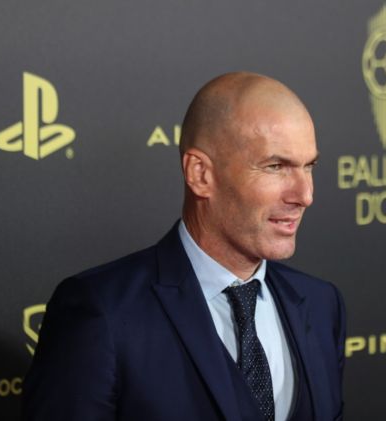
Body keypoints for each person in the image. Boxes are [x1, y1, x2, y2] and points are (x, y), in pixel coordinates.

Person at [22, 72, 346, 421]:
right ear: (200, 174)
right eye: (276, 166)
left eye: (309, 166)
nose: (305, 195)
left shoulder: (321, 304)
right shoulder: (103, 314)